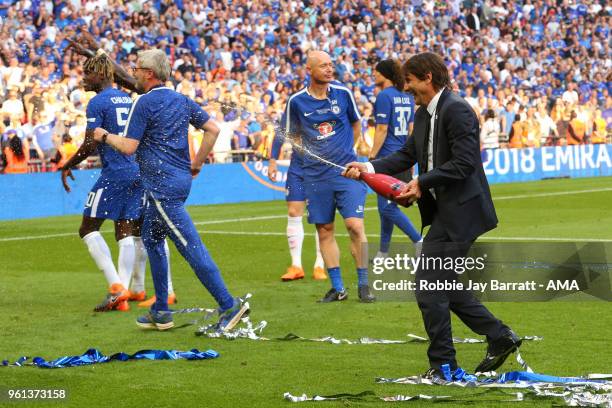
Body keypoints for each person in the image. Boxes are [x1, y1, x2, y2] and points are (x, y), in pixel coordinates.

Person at [344, 52, 521, 377]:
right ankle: (499, 336)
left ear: (427, 77)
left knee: (428, 285)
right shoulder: (425, 114)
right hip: (445, 213)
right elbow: (408, 154)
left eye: (410, 81)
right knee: (444, 285)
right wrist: (367, 167)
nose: (406, 88)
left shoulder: (458, 110)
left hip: (463, 213)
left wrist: (421, 182)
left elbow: (466, 163)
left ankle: (443, 364)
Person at [92, 49, 248, 331]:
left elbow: (129, 147)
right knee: (151, 240)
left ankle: (228, 304)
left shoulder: (143, 103)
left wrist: (104, 135)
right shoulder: (182, 100)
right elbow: (212, 129)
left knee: (190, 246)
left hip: (162, 187)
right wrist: (197, 163)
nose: (134, 72)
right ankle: (161, 310)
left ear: (149, 74)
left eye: (137, 68)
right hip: (176, 181)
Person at [59, 53, 150, 312]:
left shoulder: (98, 102)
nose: (84, 78)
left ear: (101, 74)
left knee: (87, 228)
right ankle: (122, 293)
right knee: (125, 230)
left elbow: (90, 143)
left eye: (88, 73)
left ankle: (116, 287)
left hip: (115, 174)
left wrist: (68, 164)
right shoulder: (129, 98)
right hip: (136, 171)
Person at [282, 50, 374, 303]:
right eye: (323, 66)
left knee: (355, 225)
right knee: (325, 230)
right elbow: (290, 134)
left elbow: (356, 124)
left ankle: (364, 284)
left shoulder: (343, 94)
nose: (329, 69)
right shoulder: (296, 101)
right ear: (309, 70)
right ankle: (337, 288)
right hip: (315, 175)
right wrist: (306, 149)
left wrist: (350, 150)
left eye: (331, 65)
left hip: (348, 172)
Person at [368, 59, 421, 258]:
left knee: (386, 208)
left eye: (376, 72)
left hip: (387, 158)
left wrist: (372, 156)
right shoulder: (407, 97)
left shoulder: (384, 96)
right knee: (387, 207)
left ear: (385, 74)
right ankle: (383, 251)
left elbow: (381, 129)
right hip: (403, 157)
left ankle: (419, 241)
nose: (373, 75)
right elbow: (411, 129)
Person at [268, 124, 327, 282]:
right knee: (294, 212)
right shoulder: (294, 103)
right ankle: (296, 266)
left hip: (320, 168)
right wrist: (273, 159)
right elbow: (280, 132)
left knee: (321, 216)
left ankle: (320, 265)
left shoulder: (327, 104)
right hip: (297, 168)